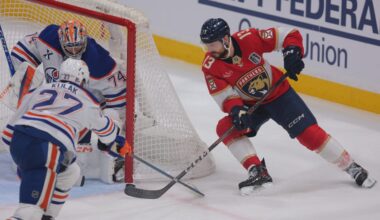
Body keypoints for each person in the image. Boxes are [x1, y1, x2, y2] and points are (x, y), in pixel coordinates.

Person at [199, 18, 376, 195]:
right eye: (206, 46)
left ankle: (351, 167)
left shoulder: (249, 38)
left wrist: (292, 53)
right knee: (226, 128)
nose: (209, 50)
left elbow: (288, 35)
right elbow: (225, 95)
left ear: (226, 39)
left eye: (212, 45)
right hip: (251, 105)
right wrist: (237, 110)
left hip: (279, 95)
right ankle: (257, 170)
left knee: (309, 134)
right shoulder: (210, 66)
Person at [2, 58, 126, 220]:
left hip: (20, 141)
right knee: (29, 212)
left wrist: (25, 160)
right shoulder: (86, 99)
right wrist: (114, 134)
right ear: (83, 80)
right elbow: (107, 132)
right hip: (46, 147)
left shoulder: (39, 90)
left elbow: (7, 133)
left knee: (70, 172)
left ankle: (48, 216)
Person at [9, 19, 128, 183]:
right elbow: (22, 53)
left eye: (77, 46)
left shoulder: (101, 64)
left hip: (65, 105)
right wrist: (114, 138)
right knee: (76, 164)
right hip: (76, 110)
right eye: (69, 46)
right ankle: (96, 163)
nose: (73, 50)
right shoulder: (48, 39)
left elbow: (120, 95)